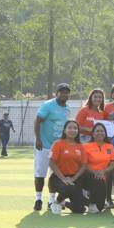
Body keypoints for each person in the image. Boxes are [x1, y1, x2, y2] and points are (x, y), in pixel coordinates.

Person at [33, 82, 71, 211]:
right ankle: (38, 199)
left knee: (54, 175)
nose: (64, 94)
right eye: (62, 92)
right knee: (40, 173)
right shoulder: (48, 105)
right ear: (57, 93)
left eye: (67, 92)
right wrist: (38, 139)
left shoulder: (67, 108)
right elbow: (37, 121)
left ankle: (51, 200)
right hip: (44, 145)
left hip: (58, 147)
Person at [48, 120, 87, 214]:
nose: (72, 130)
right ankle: (55, 203)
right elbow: (51, 162)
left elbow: (84, 165)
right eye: (69, 127)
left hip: (73, 178)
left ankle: (63, 203)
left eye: (75, 128)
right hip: (57, 178)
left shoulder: (80, 146)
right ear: (64, 130)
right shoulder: (58, 144)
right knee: (69, 187)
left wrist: (73, 178)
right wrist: (63, 178)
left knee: (80, 210)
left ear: (78, 131)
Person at [82, 122, 114, 213]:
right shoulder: (86, 146)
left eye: (102, 131)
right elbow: (84, 164)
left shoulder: (110, 146)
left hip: (102, 177)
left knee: (100, 207)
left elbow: (113, 163)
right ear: (93, 134)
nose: (100, 133)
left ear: (105, 133)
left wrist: (103, 171)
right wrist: (95, 172)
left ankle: (91, 203)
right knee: (97, 179)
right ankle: (90, 202)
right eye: (97, 131)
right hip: (88, 176)